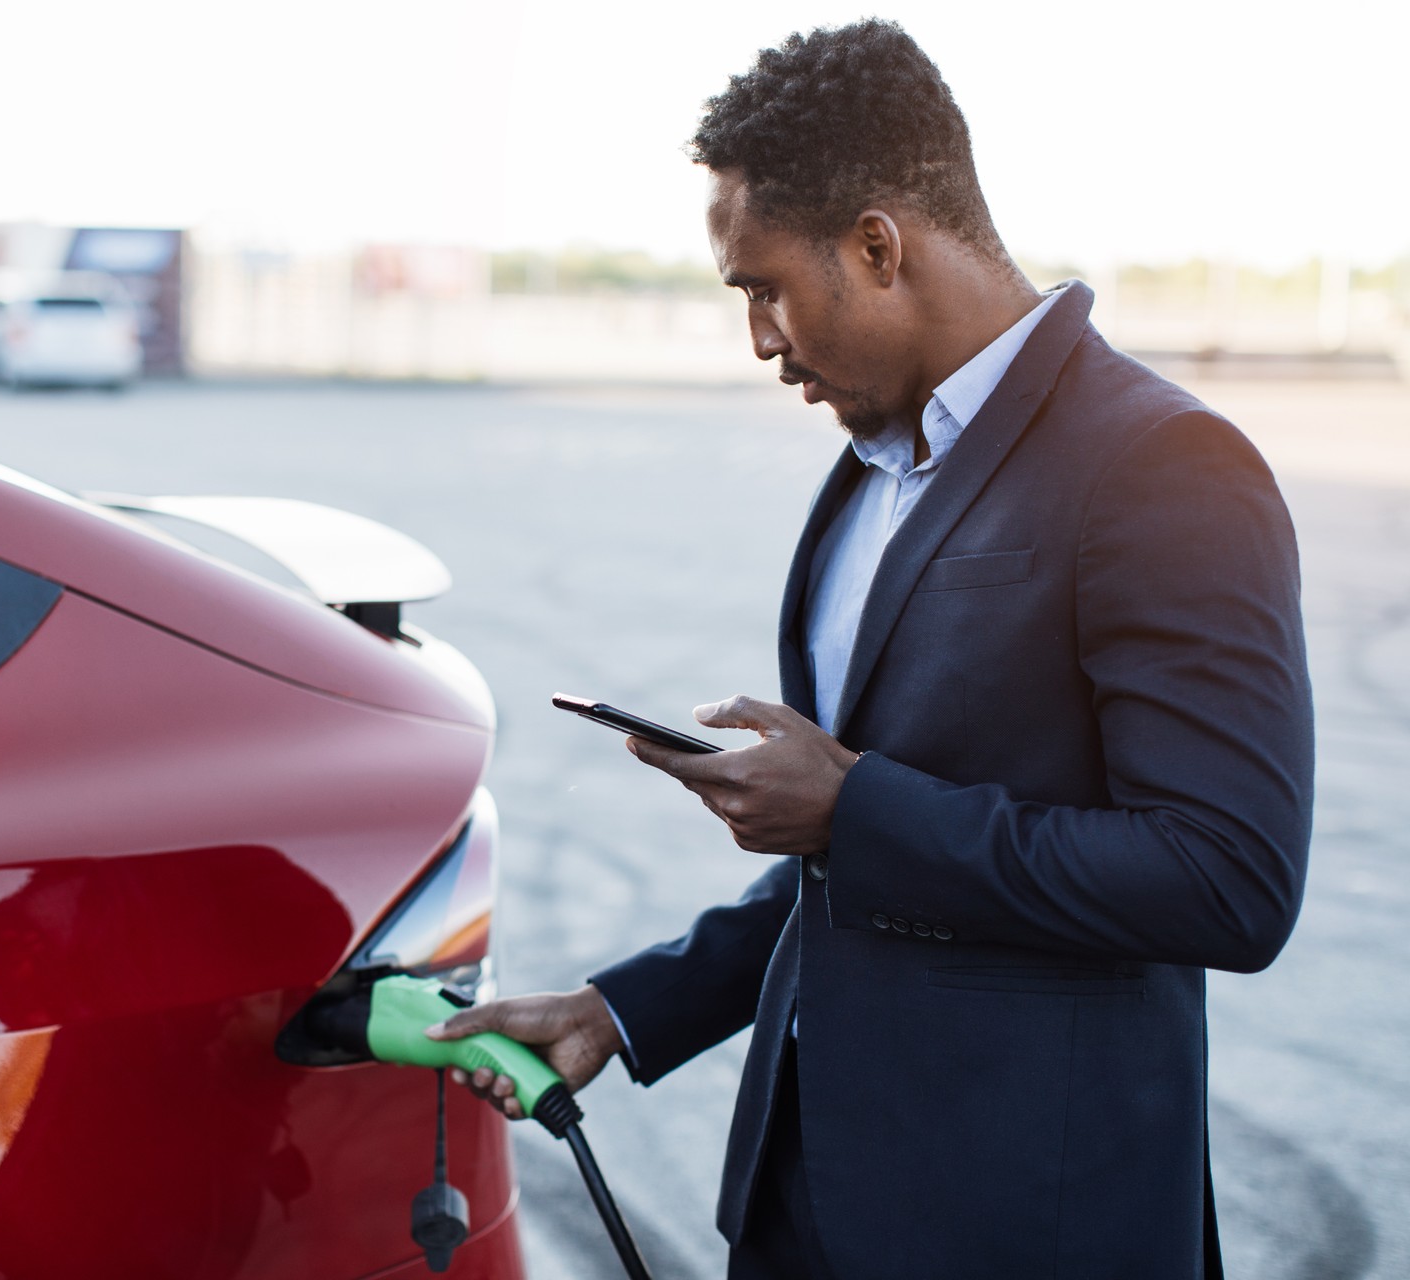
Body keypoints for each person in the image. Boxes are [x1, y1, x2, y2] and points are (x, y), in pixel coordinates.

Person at [426, 19, 1313, 1279]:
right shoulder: (867, 476)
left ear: (879, 246)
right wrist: (626, 1006)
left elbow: (1228, 876)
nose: (760, 340)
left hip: (1025, 1228)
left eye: (764, 287)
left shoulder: (1160, 466)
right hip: (805, 1204)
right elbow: (856, 862)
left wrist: (851, 805)